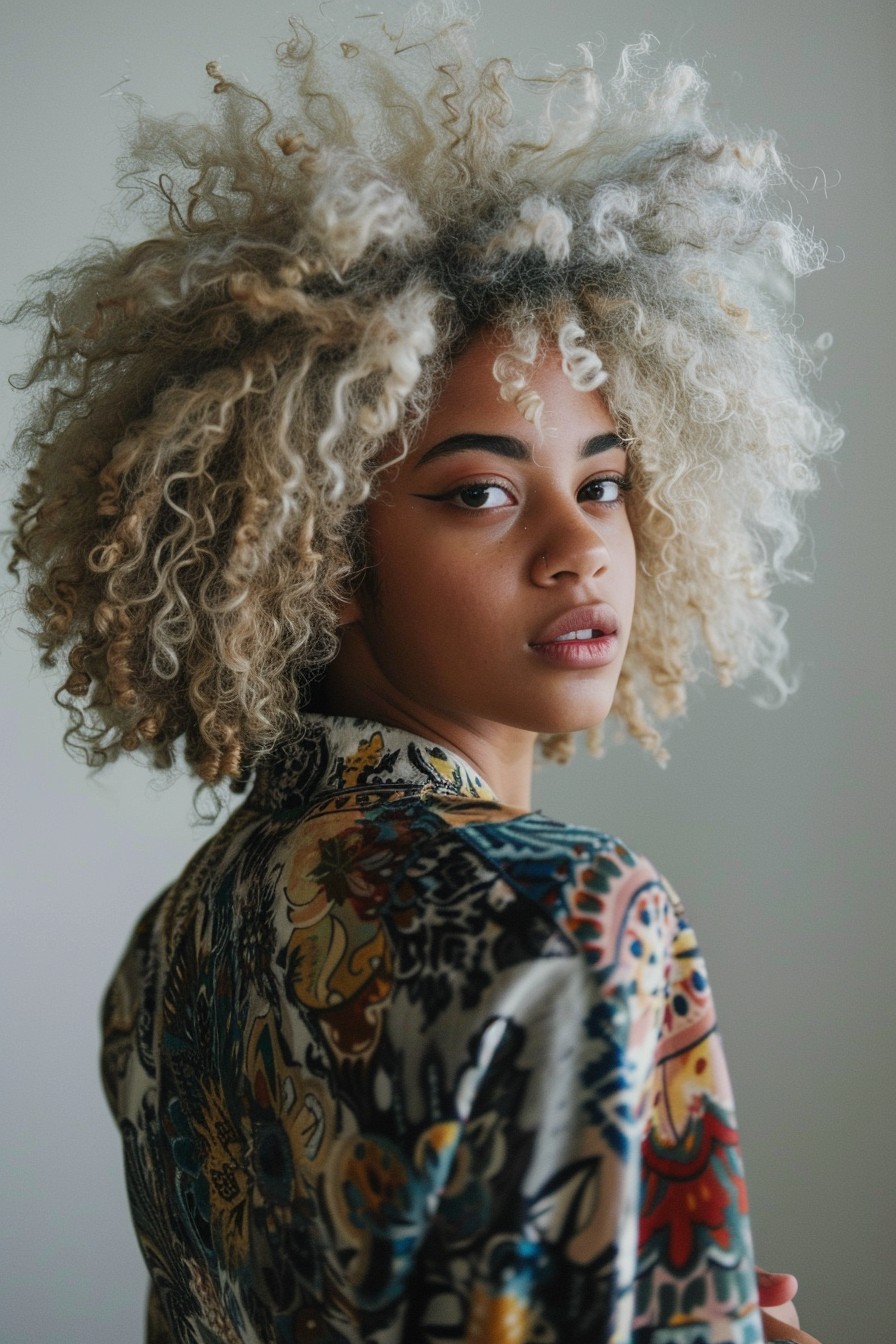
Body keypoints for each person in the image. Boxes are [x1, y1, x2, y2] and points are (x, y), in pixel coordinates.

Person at [7, 8, 837, 1342]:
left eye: (606, 482)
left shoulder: (175, 950)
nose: (582, 549)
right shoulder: (574, 912)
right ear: (322, 548)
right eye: (481, 493)